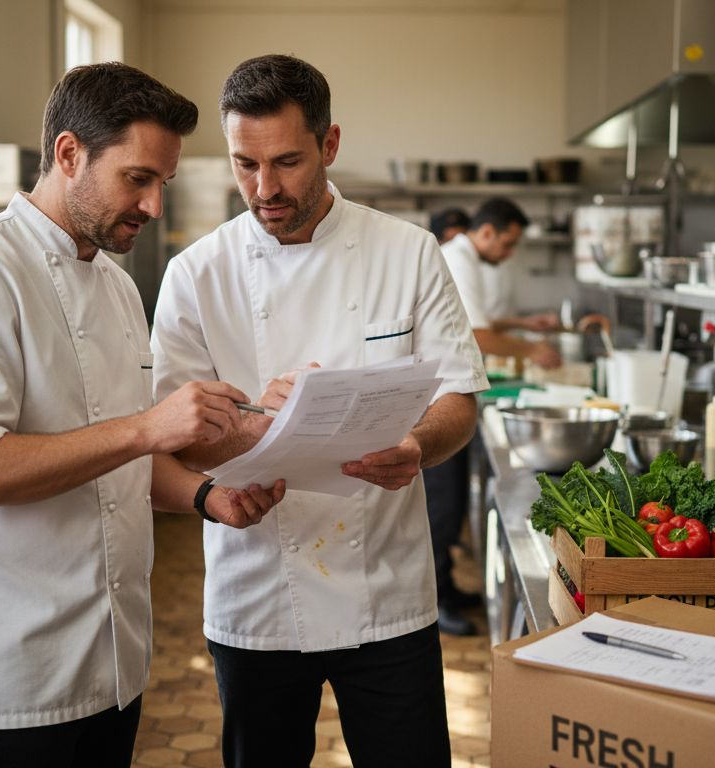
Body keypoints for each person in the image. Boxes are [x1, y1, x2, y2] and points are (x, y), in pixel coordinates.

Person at [0, 63, 284, 768]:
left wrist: (207, 495)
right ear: (70, 153)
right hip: (14, 671)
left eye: (163, 182)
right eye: (138, 178)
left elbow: (120, 462)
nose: (154, 205)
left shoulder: (115, 285)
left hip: (113, 661)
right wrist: (148, 428)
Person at [150, 54, 485, 768]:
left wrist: (417, 446)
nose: (264, 188)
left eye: (287, 162)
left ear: (329, 145)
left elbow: (458, 398)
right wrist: (254, 423)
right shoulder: (196, 275)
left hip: (386, 588)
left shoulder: (408, 253)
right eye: (245, 164)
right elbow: (172, 439)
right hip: (257, 589)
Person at [439, 197, 563, 370]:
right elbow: (476, 335)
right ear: (487, 232)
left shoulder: (464, 256)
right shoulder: (459, 261)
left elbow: (469, 325)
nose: (510, 253)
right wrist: (533, 351)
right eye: (507, 244)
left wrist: (522, 323)